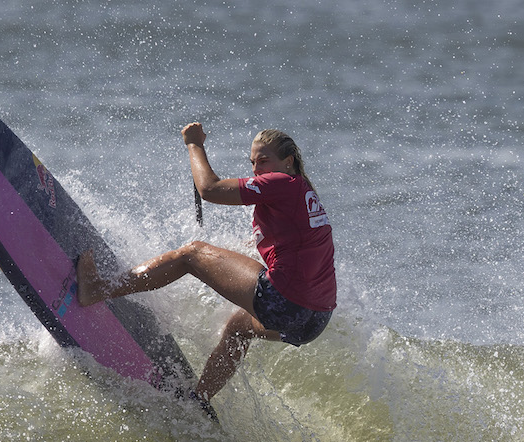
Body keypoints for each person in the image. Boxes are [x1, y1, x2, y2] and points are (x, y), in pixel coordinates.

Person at [76, 122, 336, 414]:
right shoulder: (303, 191)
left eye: (264, 161)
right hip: (314, 321)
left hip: (285, 305)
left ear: (287, 162)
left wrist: (194, 144)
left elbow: (209, 189)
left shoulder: (280, 183)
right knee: (238, 328)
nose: (256, 170)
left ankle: (97, 289)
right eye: (252, 163)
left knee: (192, 254)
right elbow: (299, 244)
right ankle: (198, 401)